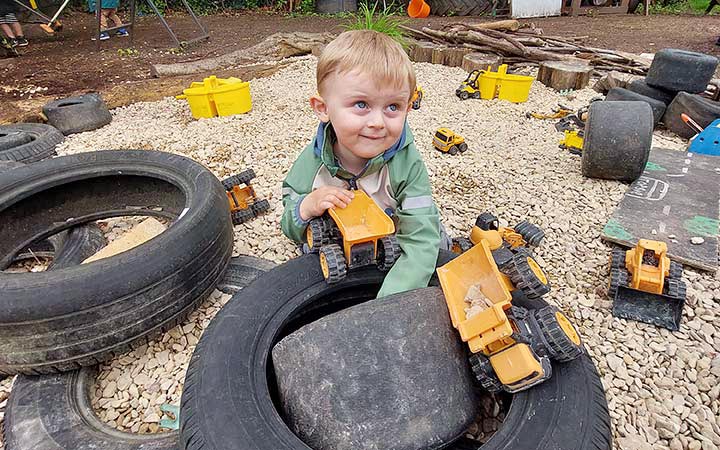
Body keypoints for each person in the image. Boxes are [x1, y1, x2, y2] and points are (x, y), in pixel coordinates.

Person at [281, 29, 448, 299]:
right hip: (342, 236)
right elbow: (288, 223)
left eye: (393, 107)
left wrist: (389, 300)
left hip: (388, 233)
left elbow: (419, 239)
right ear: (323, 108)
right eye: (361, 104)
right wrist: (305, 207)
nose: (378, 122)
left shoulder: (406, 164)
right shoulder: (312, 163)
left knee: (436, 241)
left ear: (408, 107)